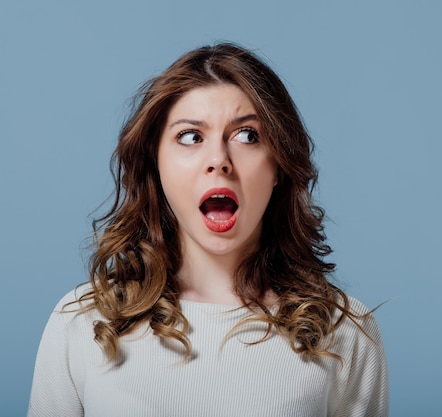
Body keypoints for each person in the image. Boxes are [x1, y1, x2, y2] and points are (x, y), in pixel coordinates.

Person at [28, 43, 388, 417]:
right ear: (156, 162)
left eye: (248, 135)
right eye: (190, 137)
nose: (219, 160)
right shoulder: (81, 321)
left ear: (279, 165)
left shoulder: (345, 331)